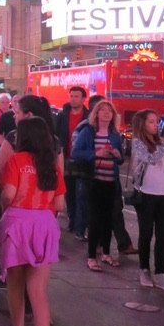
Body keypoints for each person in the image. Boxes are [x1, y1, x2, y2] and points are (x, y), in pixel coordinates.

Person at [0, 118, 65, 326]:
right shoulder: (51, 166)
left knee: (15, 287)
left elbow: (8, 195)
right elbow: (60, 204)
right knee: (39, 292)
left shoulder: (17, 161)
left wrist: (5, 209)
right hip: (45, 226)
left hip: (19, 224)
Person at [71, 100, 124, 272]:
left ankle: (107, 253)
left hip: (111, 182)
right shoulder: (88, 131)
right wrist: (96, 154)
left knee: (109, 219)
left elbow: (121, 159)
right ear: (96, 113)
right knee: (95, 219)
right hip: (93, 182)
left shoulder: (115, 134)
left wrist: (117, 155)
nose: (106, 113)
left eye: (109, 111)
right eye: (103, 110)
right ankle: (92, 256)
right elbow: (76, 152)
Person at [130, 109, 164, 290]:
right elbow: (150, 158)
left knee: (163, 234)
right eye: (151, 121)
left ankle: (160, 272)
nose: (156, 125)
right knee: (146, 233)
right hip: (145, 194)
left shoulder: (161, 143)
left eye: (156, 121)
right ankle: (144, 269)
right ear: (143, 124)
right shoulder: (138, 142)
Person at [56, 86, 89, 240]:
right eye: (71, 96)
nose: (73, 99)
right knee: (69, 193)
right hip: (66, 158)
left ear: (83, 99)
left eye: (77, 96)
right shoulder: (63, 116)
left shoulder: (89, 117)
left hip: (82, 161)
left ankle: (79, 226)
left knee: (81, 194)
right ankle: (72, 220)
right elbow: (57, 135)